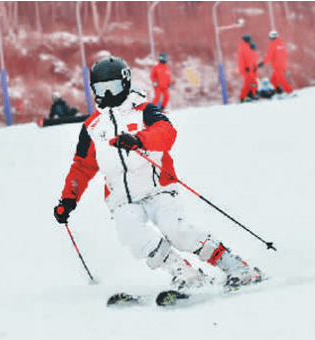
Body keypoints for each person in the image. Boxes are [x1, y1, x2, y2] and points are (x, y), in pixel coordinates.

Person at [54, 56, 264, 294]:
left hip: (158, 188)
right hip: (122, 198)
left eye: (113, 88)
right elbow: (81, 167)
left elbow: (167, 132)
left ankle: (235, 266)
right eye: (102, 89)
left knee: (174, 230)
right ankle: (184, 273)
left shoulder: (144, 110)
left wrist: (140, 139)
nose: (109, 96)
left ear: (126, 84)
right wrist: (68, 199)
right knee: (134, 236)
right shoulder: (92, 127)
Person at [258, 31, 293, 95]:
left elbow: (269, 56)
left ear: (271, 37)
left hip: (277, 65)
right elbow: (285, 55)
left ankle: (289, 91)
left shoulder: (272, 45)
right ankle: (279, 92)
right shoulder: (282, 44)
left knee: (281, 79)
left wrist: (263, 63)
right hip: (283, 65)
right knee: (273, 80)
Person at [237, 34, 254, 102]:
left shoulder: (247, 47)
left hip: (249, 68)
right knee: (247, 83)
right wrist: (246, 67)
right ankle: (243, 98)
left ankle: (250, 95)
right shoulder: (244, 48)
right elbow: (243, 59)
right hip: (246, 68)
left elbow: (252, 58)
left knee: (252, 82)